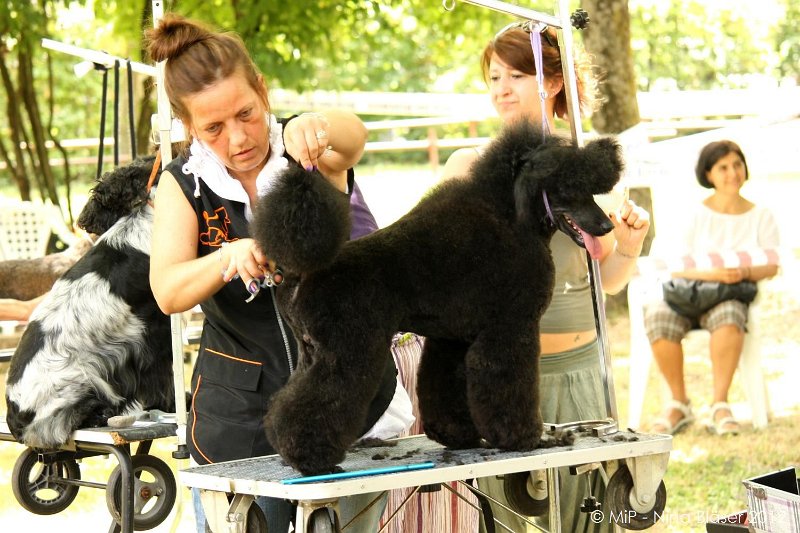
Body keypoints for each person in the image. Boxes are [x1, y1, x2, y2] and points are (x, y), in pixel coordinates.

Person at [145, 14, 413, 533]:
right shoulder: (183, 184)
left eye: (246, 114)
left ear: (263, 91)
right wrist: (227, 256)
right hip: (238, 420)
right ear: (187, 127)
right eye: (214, 128)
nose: (238, 137)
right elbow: (168, 291)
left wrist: (318, 123)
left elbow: (353, 139)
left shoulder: (309, 152)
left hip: (347, 402)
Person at [439, 23, 650, 533]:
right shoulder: (468, 166)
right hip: (505, 374)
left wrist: (628, 246)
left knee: (589, 516)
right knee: (514, 519)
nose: (500, 89)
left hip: (581, 371)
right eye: (493, 77)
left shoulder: (591, 164)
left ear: (553, 82)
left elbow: (609, 284)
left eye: (516, 74)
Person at [644, 140, 779, 436]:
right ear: (709, 174)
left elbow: (771, 265)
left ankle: (720, 404)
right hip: (688, 292)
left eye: (737, 164)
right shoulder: (694, 214)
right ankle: (679, 403)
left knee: (730, 314)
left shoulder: (761, 215)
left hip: (729, 296)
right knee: (657, 314)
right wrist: (714, 273)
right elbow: (674, 264)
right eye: (723, 167)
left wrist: (743, 272)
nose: (732, 173)